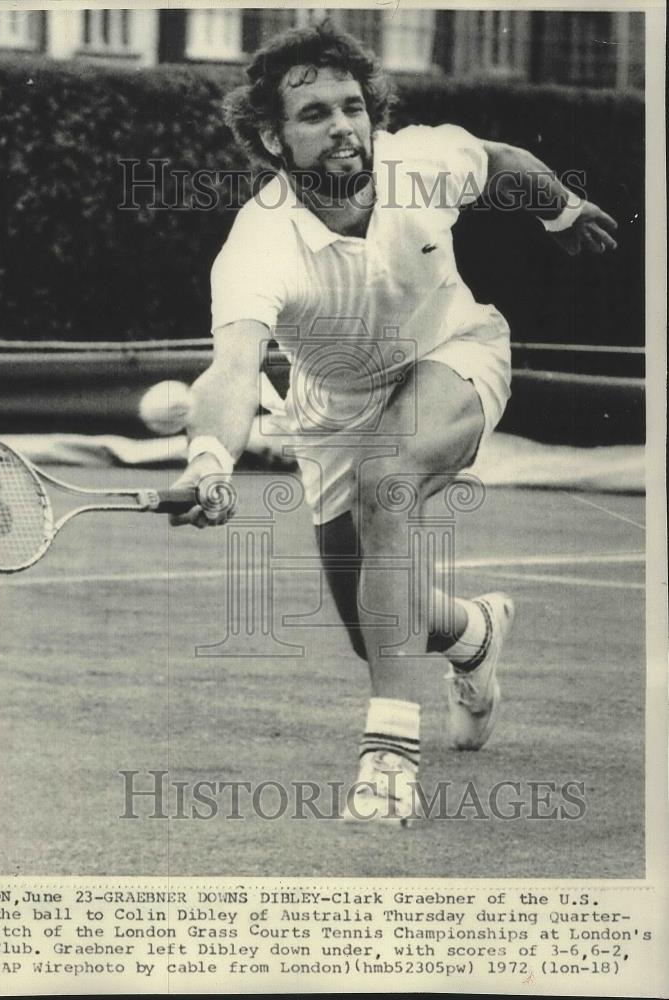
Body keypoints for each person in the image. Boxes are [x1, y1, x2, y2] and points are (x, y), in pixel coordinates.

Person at [169, 22, 619, 823]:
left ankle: (388, 759)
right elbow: (233, 367)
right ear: (272, 137)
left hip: (453, 354)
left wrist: (563, 211)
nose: (343, 127)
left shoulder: (420, 161)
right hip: (333, 411)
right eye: (314, 115)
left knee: (387, 485)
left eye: (352, 107)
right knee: (375, 632)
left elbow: (506, 164)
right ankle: (473, 633)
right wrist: (209, 458)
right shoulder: (258, 242)